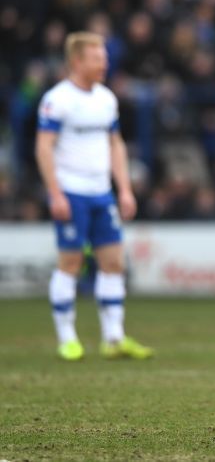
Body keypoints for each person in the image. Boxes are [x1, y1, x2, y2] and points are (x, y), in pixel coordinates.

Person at [36, 32, 154, 361]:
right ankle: (67, 338)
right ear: (77, 61)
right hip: (71, 192)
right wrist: (55, 192)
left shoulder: (106, 99)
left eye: (104, 57)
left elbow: (115, 144)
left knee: (113, 262)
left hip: (102, 193)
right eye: (97, 58)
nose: (105, 63)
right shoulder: (57, 99)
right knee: (71, 262)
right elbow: (43, 146)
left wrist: (125, 189)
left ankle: (114, 338)